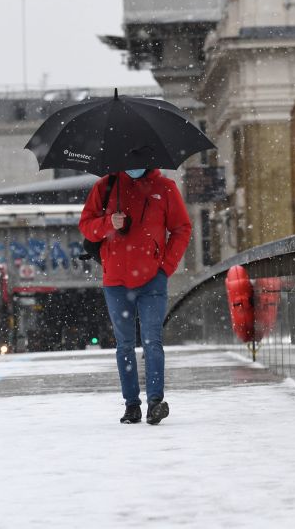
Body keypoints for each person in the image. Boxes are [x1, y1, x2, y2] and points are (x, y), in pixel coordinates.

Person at [79, 168, 191, 425]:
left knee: (153, 341)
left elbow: (181, 228)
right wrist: (109, 223)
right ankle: (132, 405)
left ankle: (155, 402)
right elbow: (86, 227)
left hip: (152, 279)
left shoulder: (165, 187)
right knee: (125, 345)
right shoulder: (106, 186)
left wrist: (165, 268)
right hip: (116, 281)